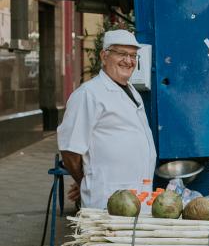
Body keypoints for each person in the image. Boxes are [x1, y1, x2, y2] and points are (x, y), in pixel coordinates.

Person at [58, 29, 157, 208]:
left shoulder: (131, 91)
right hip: (106, 199)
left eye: (133, 55)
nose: (129, 61)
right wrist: (85, 182)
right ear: (104, 56)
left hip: (138, 197)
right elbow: (70, 151)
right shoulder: (88, 94)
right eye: (121, 54)